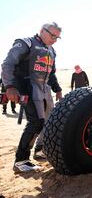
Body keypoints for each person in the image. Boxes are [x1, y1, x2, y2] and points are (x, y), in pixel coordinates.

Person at [1, 22, 63, 173]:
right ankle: (21, 160)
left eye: (57, 37)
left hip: (44, 90)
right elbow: (8, 64)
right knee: (36, 123)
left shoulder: (52, 51)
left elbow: (51, 73)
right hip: (26, 89)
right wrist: (10, 87)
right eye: (52, 35)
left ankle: (39, 151)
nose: (54, 39)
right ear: (42, 30)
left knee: (46, 122)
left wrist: (58, 89)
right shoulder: (26, 43)